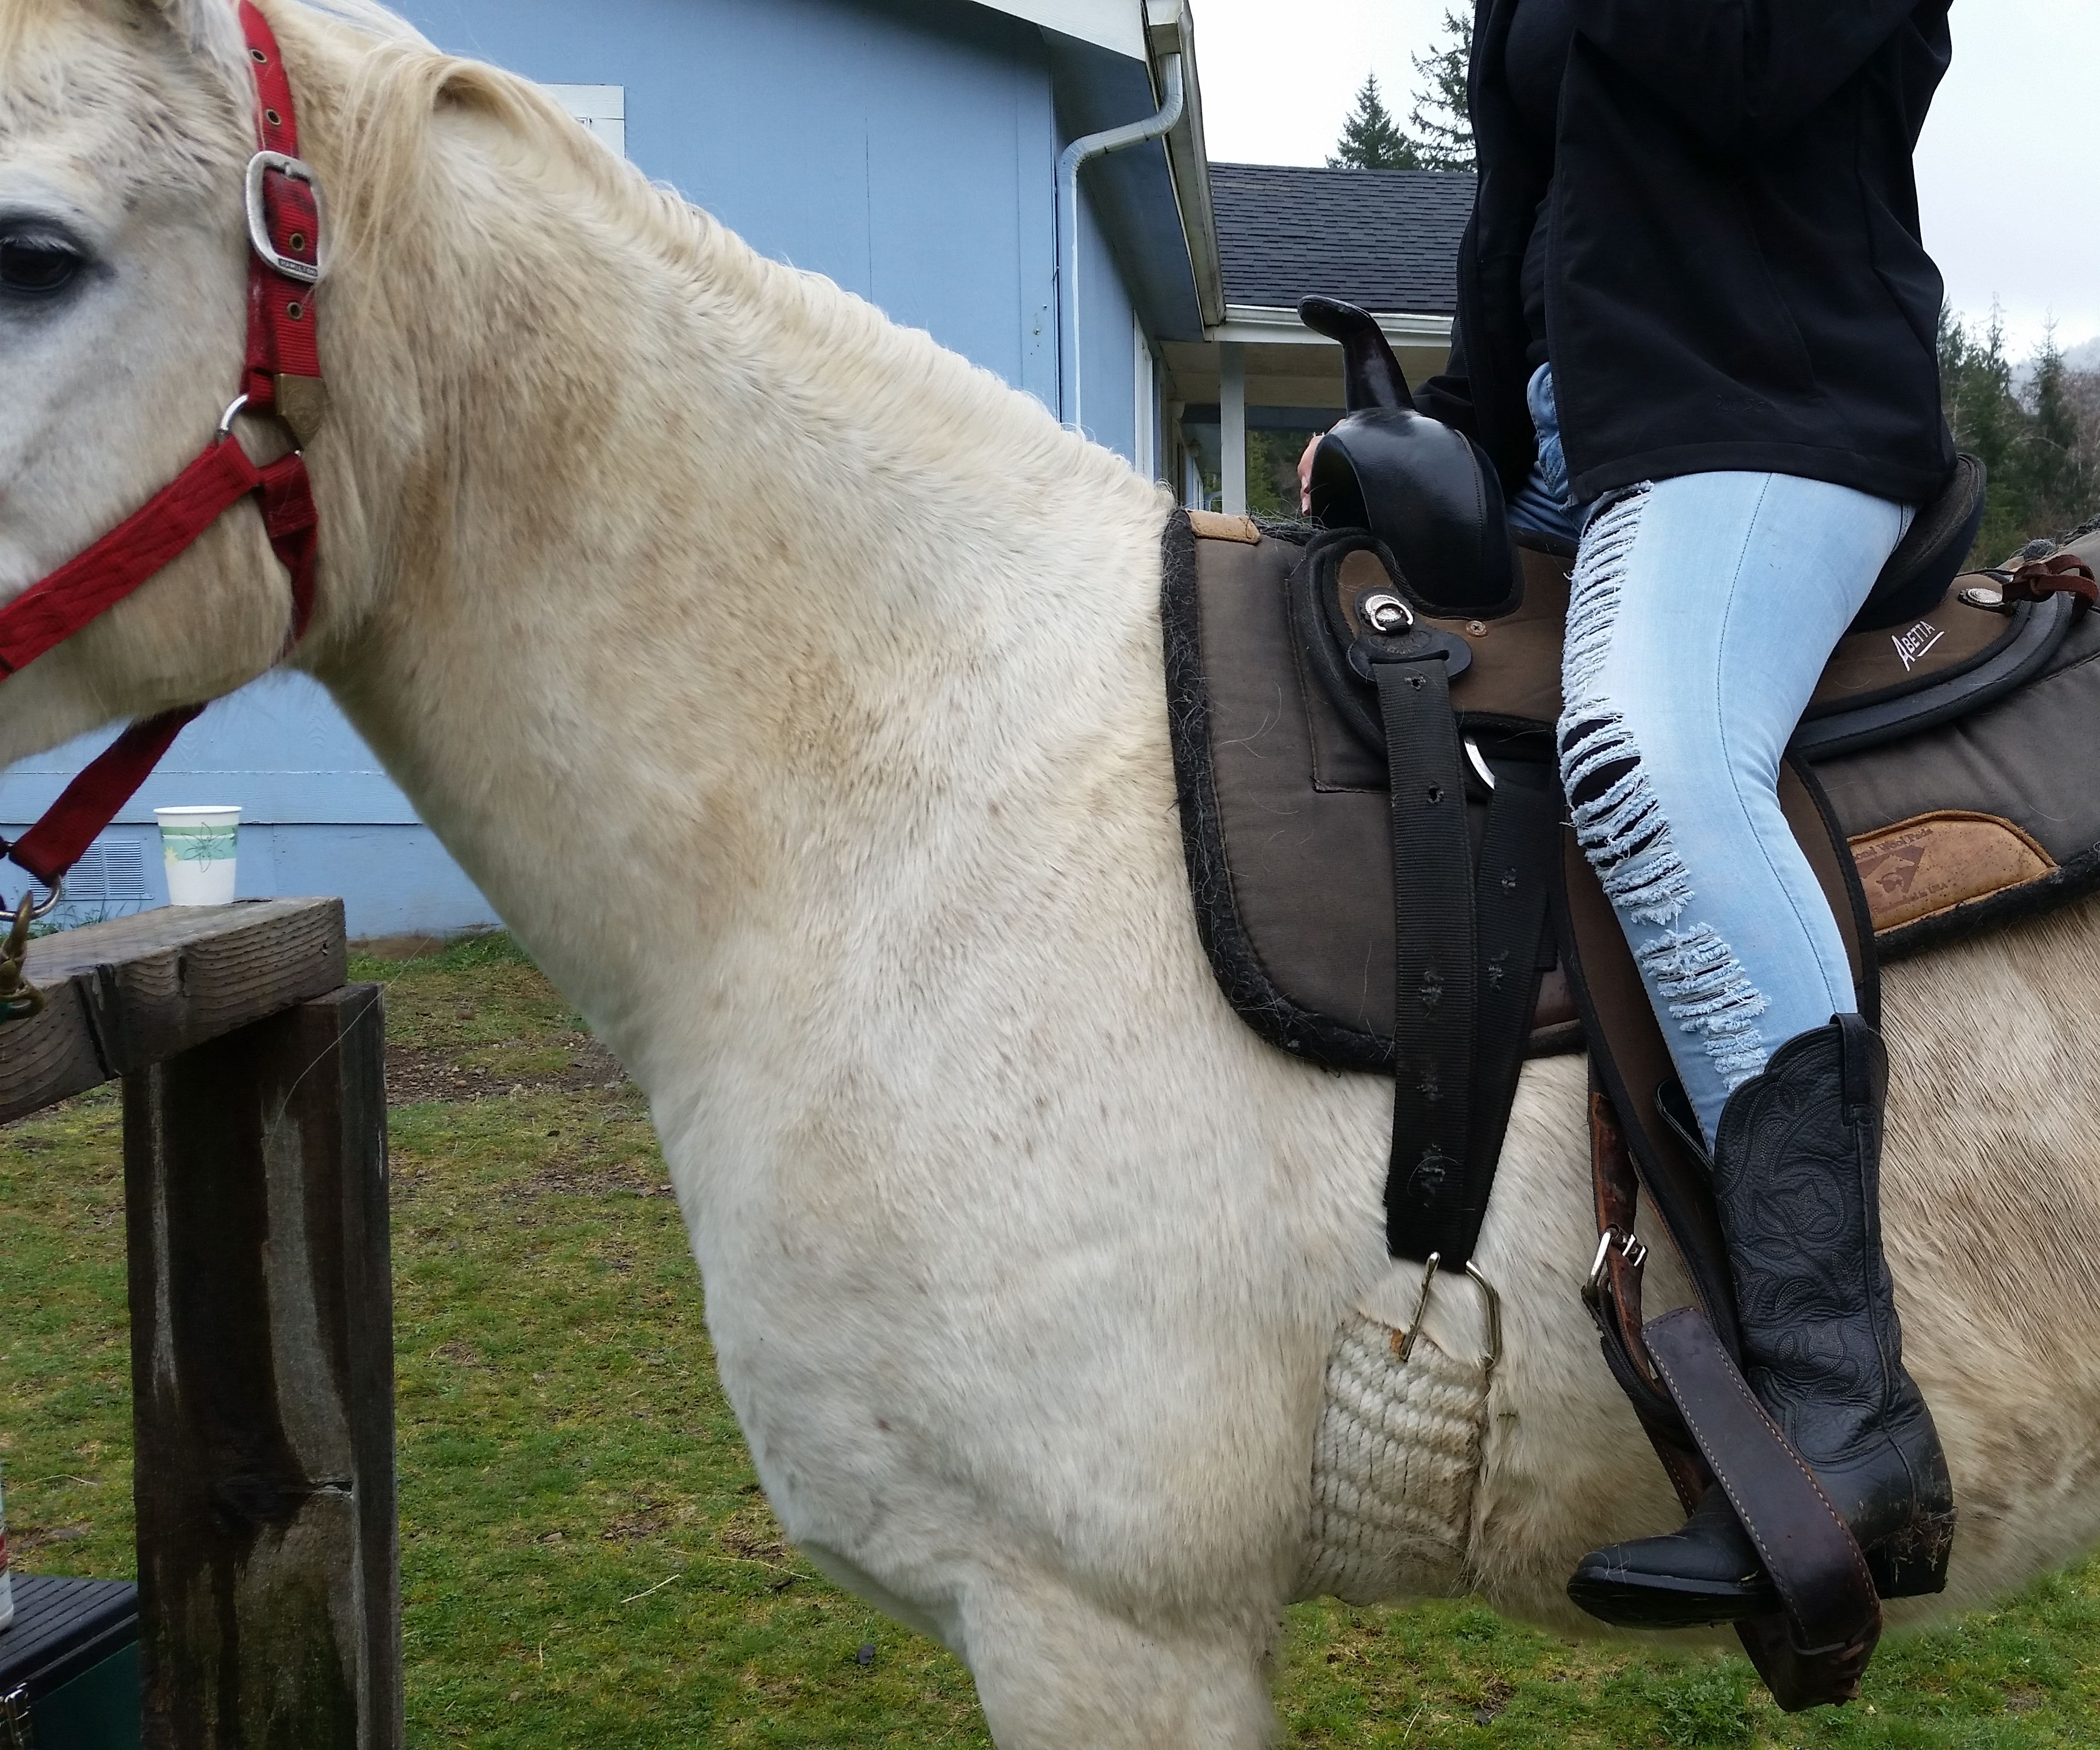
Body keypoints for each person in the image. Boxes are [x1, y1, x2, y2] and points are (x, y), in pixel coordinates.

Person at [1408, 0, 1959, 1626]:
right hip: (1566, 441)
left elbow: (1740, 68)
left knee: (1646, 757)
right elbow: (1520, 205)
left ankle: (1848, 1412)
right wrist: (1454, 428)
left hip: (1766, 408)